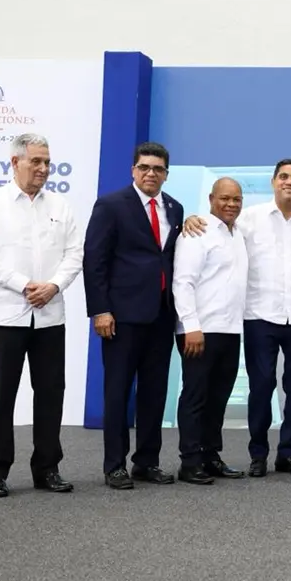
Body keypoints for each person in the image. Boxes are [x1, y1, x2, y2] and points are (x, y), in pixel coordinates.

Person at [185, 159, 291, 477]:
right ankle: (258, 453)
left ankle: (288, 453)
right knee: (261, 387)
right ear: (274, 181)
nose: (290, 182)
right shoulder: (249, 219)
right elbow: (218, 227)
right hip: (259, 316)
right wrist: (189, 220)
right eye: (284, 176)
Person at [0, 133, 82, 498]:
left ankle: (47, 468)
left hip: (50, 315)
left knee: (50, 393)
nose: (44, 169)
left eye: (48, 162)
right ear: (15, 162)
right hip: (4, 316)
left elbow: (74, 255)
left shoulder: (61, 205)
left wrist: (53, 286)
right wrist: (22, 284)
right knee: (0, 395)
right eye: (36, 162)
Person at [84, 141, 184, 489]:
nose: (150, 174)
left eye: (157, 169)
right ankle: (114, 465)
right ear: (133, 170)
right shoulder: (111, 205)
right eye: (144, 167)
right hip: (121, 316)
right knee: (117, 391)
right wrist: (100, 309)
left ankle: (147, 461)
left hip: (161, 315)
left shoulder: (175, 208)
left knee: (154, 392)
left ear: (166, 175)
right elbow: (94, 260)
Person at [171, 177, 249, 485]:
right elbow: (183, 282)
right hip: (199, 330)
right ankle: (189, 461)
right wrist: (191, 326)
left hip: (230, 330)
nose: (231, 204)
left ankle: (210, 455)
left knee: (218, 397)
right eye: (225, 198)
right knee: (195, 395)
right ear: (211, 198)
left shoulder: (238, 234)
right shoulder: (197, 231)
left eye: (237, 200)